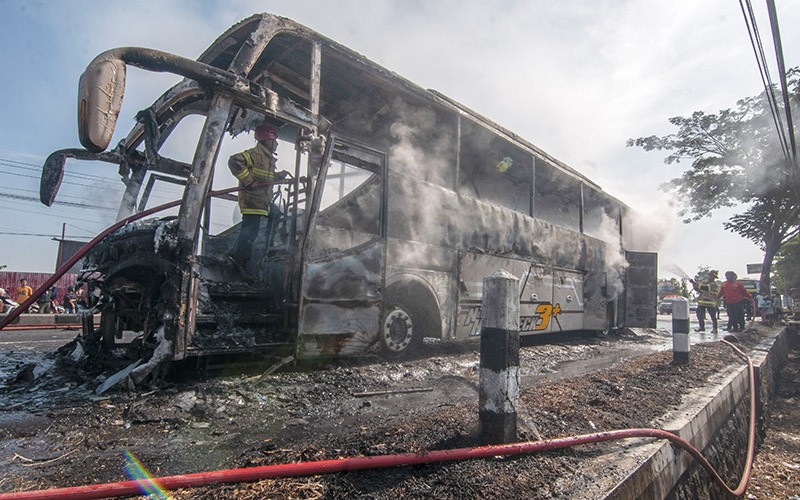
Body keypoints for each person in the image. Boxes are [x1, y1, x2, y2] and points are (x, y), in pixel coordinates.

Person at [227, 124, 287, 270]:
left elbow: (266, 178)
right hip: (252, 201)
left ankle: (268, 246)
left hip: (263, 202)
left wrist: (279, 176)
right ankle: (239, 263)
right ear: (268, 140)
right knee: (249, 235)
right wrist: (249, 182)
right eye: (275, 140)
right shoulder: (255, 154)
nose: (277, 144)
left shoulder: (267, 159)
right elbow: (234, 161)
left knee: (276, 215)